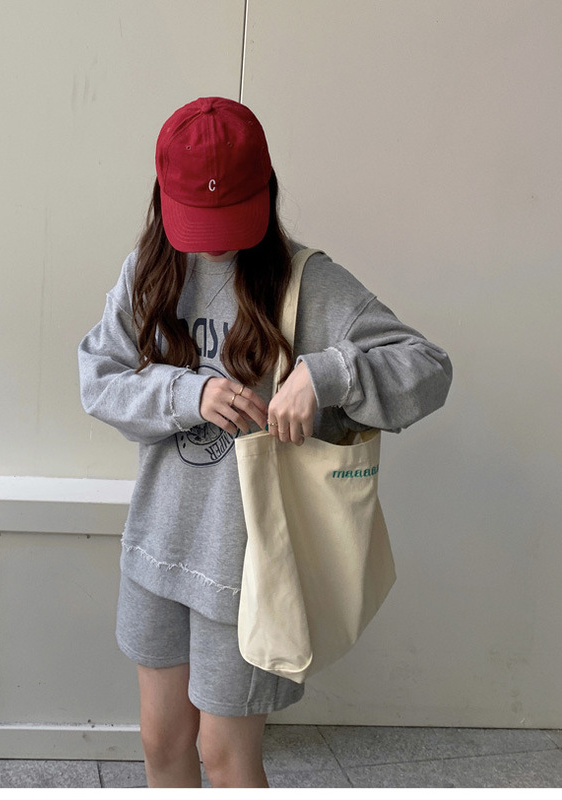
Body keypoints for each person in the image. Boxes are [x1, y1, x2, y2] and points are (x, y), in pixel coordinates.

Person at [78, 96, 452, 788]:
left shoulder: (309, 284)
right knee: (161, 740)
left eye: (229, 218)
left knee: (225, 758)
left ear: (266, 191)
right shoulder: (149, 273)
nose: (214, 243)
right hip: (158, 546)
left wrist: (326, 374)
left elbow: (429, 369)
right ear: (164, 199)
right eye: (200, 219)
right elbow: (98, 379)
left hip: (249, 566)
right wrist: (186, 394)